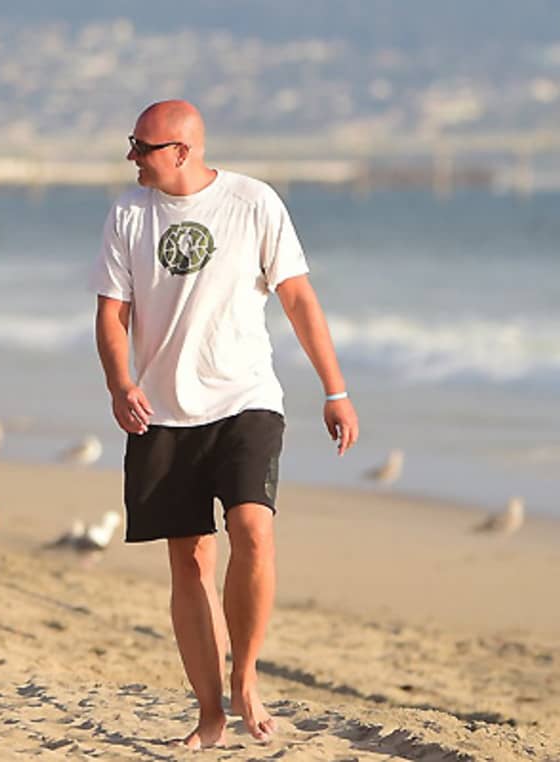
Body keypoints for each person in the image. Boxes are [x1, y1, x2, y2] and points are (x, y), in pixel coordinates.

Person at [92, 100, 359, 748]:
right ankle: (210, 712)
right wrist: (120, 383)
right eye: (132, 144)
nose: (131, 156)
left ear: (181, 150)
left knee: (252, 531)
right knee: (189, 564)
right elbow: (110, 313)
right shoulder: (128, 214)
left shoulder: (253, 202)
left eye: (142, 146)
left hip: (245, 398)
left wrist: (336, 388)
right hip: (160, 410)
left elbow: (297, 297)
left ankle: (247, 675)